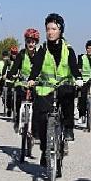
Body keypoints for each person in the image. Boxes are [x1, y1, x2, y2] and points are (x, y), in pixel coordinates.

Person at [27, 13, 81, 165]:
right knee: (42, 118)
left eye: (53, 28)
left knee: (69, 99)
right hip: (46, 88)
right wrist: (32, 79)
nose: (50, 32)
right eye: (48, 29)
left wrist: (78, 79)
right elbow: (37, 66)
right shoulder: (42, 49)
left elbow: (73, 67)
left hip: (64, 86)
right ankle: (45, 149)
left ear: (60, 30)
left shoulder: (68, 50)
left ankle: (69, 128)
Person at [7, 28, 40, 131]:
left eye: (33, 42)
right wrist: (10, 75)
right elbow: (15, 67)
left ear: (36, 43)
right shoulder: (21, 54)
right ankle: (17, 119)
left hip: (36, 83)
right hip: (22, 82)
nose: (31, 44)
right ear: (25, 42)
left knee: (39, 101)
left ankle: (35, 125)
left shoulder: (40, 55)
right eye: (28, 41)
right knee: (18, 96)